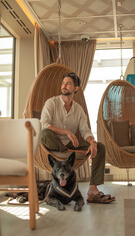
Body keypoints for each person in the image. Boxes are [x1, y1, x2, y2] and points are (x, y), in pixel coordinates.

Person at [41, 72, 115, 204]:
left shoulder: (78, 110)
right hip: (51, 142)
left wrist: (92, 142)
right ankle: (73, 152)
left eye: (68, 83)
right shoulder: (51, 103)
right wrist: (67, 132)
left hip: (69, 145)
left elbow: (85, 131)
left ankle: (93, 189)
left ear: (76, 88)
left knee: (100, 146)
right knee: (45, 133)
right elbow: (44, 125)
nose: (64, 86)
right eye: (63, 83)